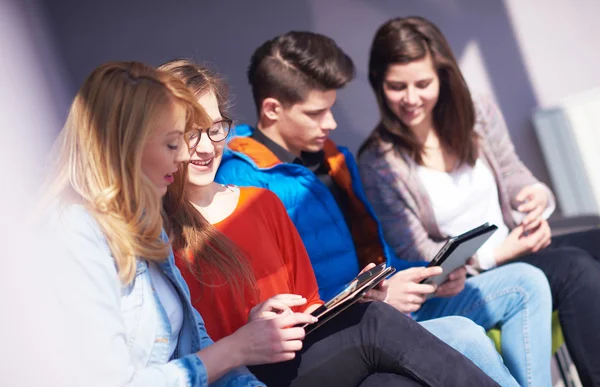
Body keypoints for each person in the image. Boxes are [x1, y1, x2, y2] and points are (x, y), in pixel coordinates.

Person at [215, 31, 553, 386]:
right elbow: (271, 301)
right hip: (337, 329)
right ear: (272, 109)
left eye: (331, 108)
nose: (330, 123)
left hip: (382, 303)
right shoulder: (244, 180)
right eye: (316, 113)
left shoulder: (335, 158)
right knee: (463, 334)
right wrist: (372, 296)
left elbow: (377, 253)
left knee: (525, 282)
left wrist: (427, 275)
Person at [160, 58, 510, 387]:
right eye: (190, 133)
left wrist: (349, 299)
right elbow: (184, 348)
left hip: (307, 357)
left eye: (214, 129)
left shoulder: (262, 204)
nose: (205, 147)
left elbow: (309, 304)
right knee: (387, 324)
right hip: (245, 372)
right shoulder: (159, 233)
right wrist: (250, 331)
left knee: (390, 380)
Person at [356, 16, 600, 387]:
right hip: (468, 276)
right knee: (575, 267)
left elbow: (515, 174)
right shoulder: (379, 161)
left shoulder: (477, 112)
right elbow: (417, 251)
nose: (410, 98)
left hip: (518, 247)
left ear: (443, 76)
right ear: (378, 84)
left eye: (423, 84)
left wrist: (536, 197)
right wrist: (494, 255)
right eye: (396, 86)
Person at [34, 61, 268, 386]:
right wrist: (237, 348)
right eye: (173, 142)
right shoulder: (74, 233)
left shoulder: (144, 221)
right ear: (125, 147)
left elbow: (195, 343)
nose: (186, 155)